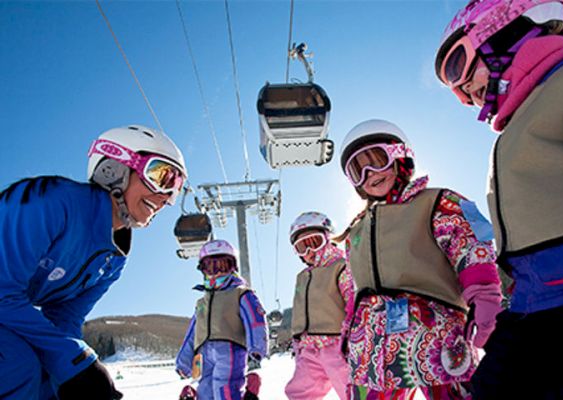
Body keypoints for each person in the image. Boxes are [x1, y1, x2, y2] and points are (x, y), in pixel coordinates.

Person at [434, 0, 563, 398]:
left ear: (501, 29)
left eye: (458, 66)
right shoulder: (517, 128)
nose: (462, 93)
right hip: (535, 307)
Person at [0, 125, 187, 400]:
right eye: (161, 176)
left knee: (50, 378)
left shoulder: (112, 260)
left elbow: (65, 318)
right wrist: (78, 361)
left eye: (176, 189)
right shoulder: (50, 202)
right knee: (18, 364)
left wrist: (79, 374)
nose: (165, 199)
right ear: (113, 168)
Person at [338, 119, 502, 399]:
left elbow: (471, 247)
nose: (369, 173)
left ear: (399, 155)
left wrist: (486, 297)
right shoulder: (356, 230)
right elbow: (355, 288)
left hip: (435, 332)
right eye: (357, 169)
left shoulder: (438, 201)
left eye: (376, 159)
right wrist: (348, 330)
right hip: (371, 347)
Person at [175, 239, 268, 400]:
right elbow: (192, 333)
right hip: (203, 355)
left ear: (233, 268)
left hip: (230, 349)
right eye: (210, 267)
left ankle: (247, 395)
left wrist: (257, 346)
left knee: (225, 387)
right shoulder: (201, 303)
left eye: (222, 266)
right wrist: (184, 362)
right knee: (205, 390)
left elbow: (255, 318)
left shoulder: (240, 293)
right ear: (203, 270)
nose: (216, 272)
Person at [284, 212, 354, 400]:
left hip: (337, 345)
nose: (309, 252)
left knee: (352, 390)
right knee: (299, 393)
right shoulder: (303, 277)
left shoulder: (340, 266)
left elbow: (352, 299)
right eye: (301, 247)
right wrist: (298, 343)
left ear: (328, 238)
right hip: (309, 350)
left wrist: (353, 335)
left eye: (314, 242)